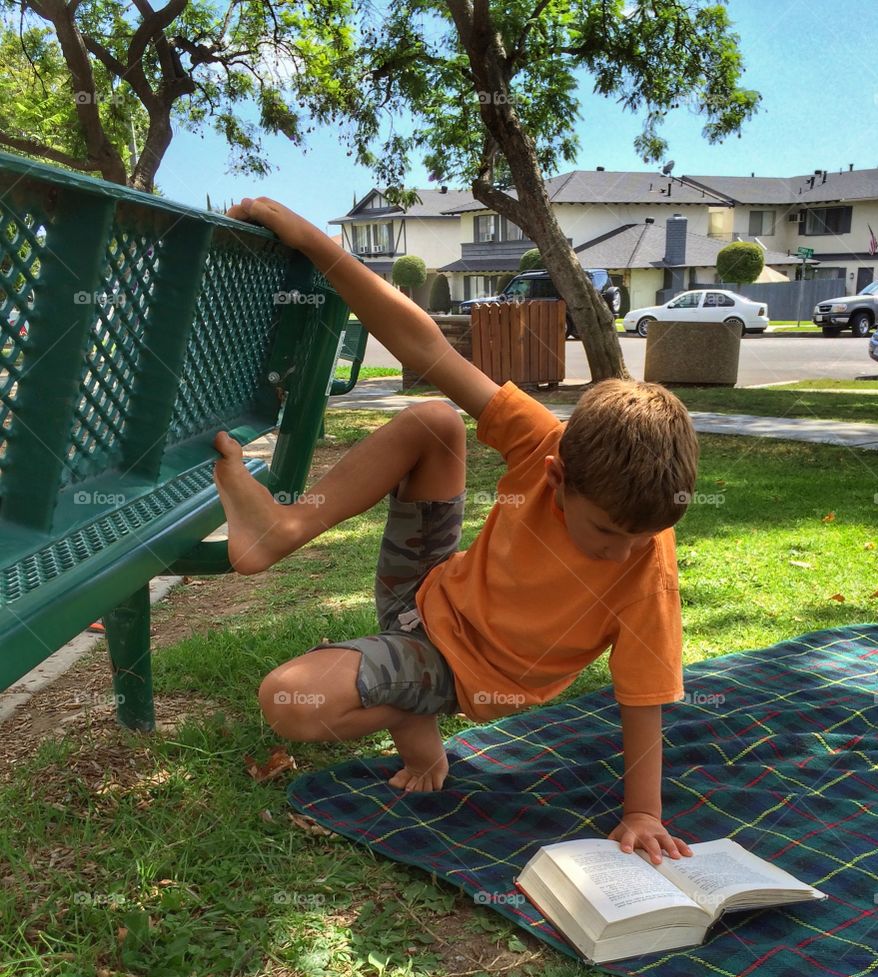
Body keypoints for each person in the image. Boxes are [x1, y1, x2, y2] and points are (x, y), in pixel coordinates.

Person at [212, 197, 698, 867]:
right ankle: (283, 526)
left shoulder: (645, 565)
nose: (624, 552)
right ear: (557, 477)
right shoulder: (545, 444)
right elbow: (426, 347)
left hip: (457, 667)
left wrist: (643, 813)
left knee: (288, 702)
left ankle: (414, 711)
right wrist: (318, 245)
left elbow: (643, 698)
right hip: (425, 587)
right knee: (435, 420)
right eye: (607, 532)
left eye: (641, 537)